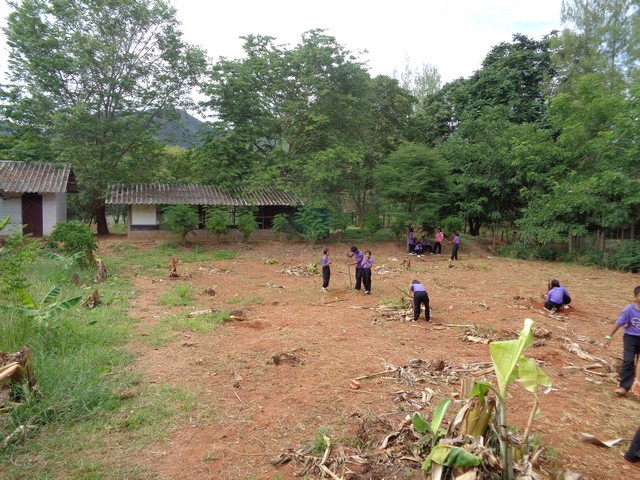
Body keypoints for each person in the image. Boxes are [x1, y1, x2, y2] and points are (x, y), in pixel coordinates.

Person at [604, 285, 640, 396]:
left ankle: (637, 385)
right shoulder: (629, 310)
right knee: (628, 361)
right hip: (630, 338)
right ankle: (624, 386)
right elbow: (618, 323)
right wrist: (609, 337)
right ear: (635, 297)